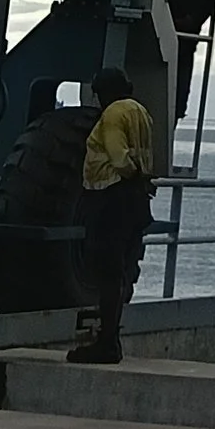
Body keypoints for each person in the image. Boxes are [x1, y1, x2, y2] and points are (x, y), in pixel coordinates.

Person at [66, 68, 155, 366]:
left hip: (112, 198)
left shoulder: (113, 115)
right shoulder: (140, 111)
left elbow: (119, 157)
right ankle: (110, 338)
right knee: (117, 272)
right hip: (135, 200)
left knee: (106, 271)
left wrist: (128, 174)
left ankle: (106, 343)